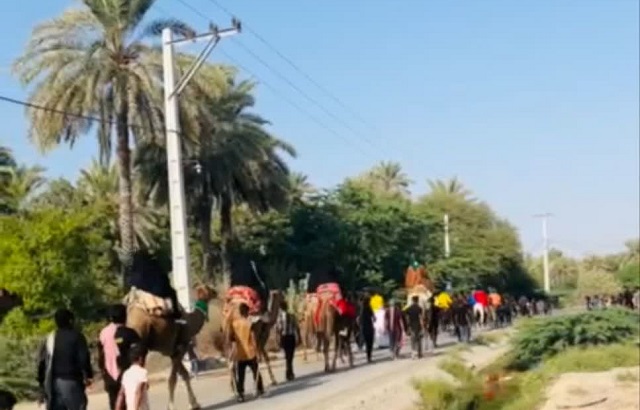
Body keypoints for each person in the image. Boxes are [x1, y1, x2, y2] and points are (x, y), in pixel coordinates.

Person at [37, 309, 93, 410]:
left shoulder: (50, 338)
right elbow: (83, 359)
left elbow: (42, 362)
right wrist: (88, 376)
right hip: (72, 382)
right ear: (70, 320)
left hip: (53, 384)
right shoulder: (77, 336)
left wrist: (41, 385)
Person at [98, 304, 141, 410]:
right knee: (130, 404)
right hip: (127, 374)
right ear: (125, 316)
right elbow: (140, 353)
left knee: (114, 403)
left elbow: (101, 355)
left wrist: (104, 373)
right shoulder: (130, 333)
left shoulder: (103, 333)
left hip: (109, 375)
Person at [231, 303, 264, 402]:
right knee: (256, 372)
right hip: (250, 353)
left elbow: (233, 340)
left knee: (240, 375)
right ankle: (260, 389)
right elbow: (253, 338)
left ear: (240, 312)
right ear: (247, 312)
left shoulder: (234, 324)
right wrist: (257, 352)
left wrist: (232, 354)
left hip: (240, 354)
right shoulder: (249, 324)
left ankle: (240, 394)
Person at [116, 346, 149, 410]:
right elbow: (138, 391)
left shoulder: (126, 374)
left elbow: (121, 394)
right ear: (141, 359)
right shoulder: (142, 372)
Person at [276, 300, 301, 381]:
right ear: (286, 307)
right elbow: (297, 327)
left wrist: (278, 339)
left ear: (280, 308)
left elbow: (278, 329)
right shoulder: (292, 316)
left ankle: (289, 372)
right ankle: (289, 372)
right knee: (290, 356)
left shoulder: (279, 317)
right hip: (291, 337)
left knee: (287, 356)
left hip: (284, 337)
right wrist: (299, 337)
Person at [358, 295, 375, 363]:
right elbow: (374, 317)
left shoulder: (361, 307)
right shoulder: (369, 307)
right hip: (369, 327)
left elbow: (359, 319)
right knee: (369, 343)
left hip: (364, 327)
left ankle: (361, 346)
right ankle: (369, 357)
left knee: (366, 342)